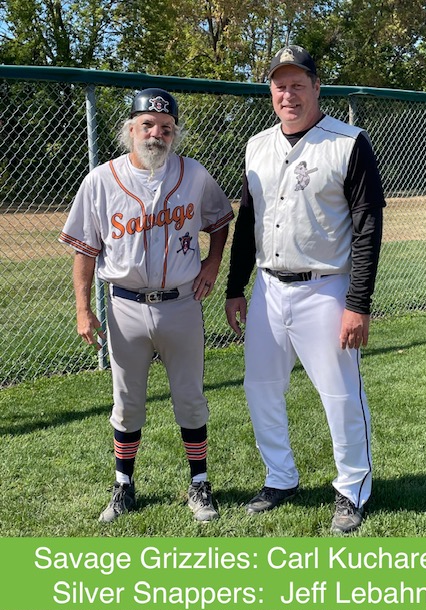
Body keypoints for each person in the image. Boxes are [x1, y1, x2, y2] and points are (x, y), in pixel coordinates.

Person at [225, 45, 385, 533]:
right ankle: (280, 477)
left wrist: (357, 303)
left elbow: (368, 227)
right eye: (280, 85)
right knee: (261, 388)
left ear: (317, 87)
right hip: (269, 288)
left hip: (326, 287)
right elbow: (247, 221)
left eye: (298, 84)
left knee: (340, 394)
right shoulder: (256, 145)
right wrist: (235, 287)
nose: (288, 94)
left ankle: (351, 489)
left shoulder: (348, 142)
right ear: (270, 92)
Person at [60, 88, 233, 523]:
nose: (157, 134)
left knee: (190, 398)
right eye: (148, 125)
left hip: (181, 303)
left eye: (166, 128)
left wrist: (213, 263)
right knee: (127, 402)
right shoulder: (101, 180)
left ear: (175, 133)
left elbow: (219, 221)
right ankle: (123, 485)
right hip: (125, 307)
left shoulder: (193, 174)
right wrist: (83, 309)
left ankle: (199, 484)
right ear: (130, 130)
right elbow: (85, 250)